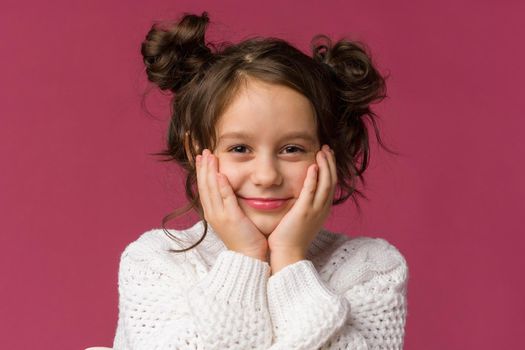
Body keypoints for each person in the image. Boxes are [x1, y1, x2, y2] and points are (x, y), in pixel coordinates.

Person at [112, 11, 409, 350]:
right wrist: (245, 257)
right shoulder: (156, 262)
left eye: (292, 149)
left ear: (329, 152)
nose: (267, 176)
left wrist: (290, 259)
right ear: (198, 149)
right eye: (240, 148)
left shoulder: (372, 269)